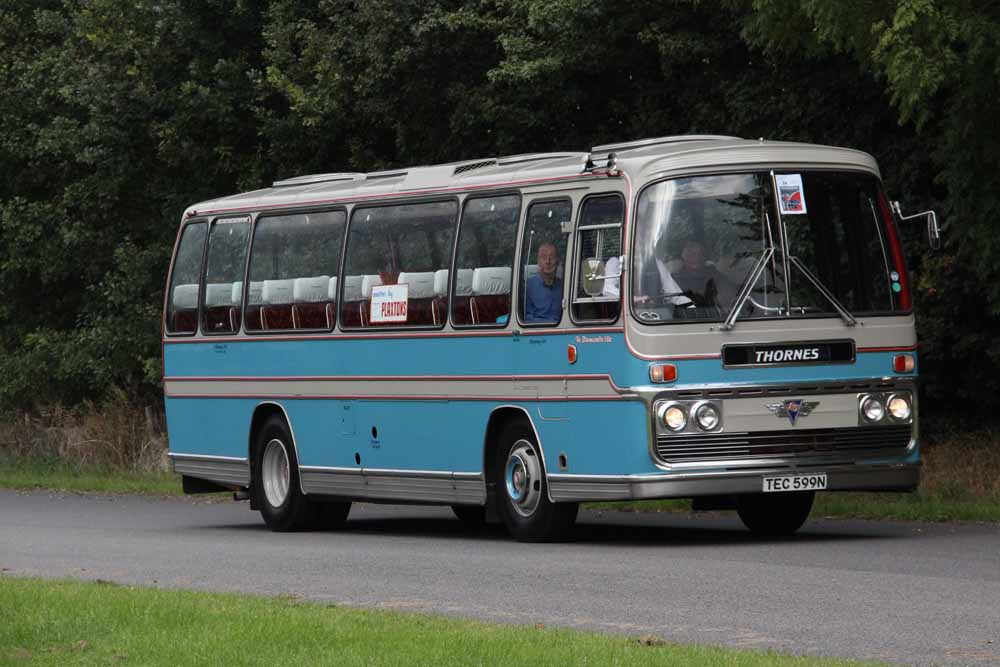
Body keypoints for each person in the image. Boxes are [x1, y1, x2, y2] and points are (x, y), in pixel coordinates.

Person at [524, 241, 562, 323]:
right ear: (538, 261)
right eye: (544, 257)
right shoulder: (528, 286)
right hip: (538, 331)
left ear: (557, 261)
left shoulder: (563, 287)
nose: (548, 261)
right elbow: (526, 318)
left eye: (551, 257)